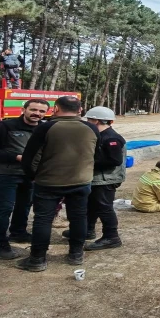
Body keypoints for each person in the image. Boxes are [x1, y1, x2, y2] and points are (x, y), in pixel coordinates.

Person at [17, 96, 98, 272]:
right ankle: (76, 254)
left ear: (55, 109)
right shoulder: (91, 128)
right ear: (80, 110)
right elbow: (95, 154)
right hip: (81, 181)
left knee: (43, 219)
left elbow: (30, 157)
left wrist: (33, 176)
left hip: (48, 182)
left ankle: (37, 259)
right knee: (78, 217)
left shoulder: (46, 127)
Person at [0, 99, 49, 260]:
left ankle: (18, 232)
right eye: (33, 109)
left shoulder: (44, 129)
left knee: (25, 205)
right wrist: (16, 157)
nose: (37, 113)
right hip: (6, 173)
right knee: (4, 207)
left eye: (41, 111)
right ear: (23, 109)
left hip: (31, 175)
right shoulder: (6, 126)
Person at [80, 106, 126, 251]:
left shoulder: (111, 138)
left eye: (89, 120)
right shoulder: (102, 135)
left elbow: (115, 160)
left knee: (104, 207)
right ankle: (88, 230)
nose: (87, 122)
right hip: (99, 178)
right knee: (92, 205)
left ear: (96, 121)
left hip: (107, 179)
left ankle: (111, 237)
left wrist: (88, 162)